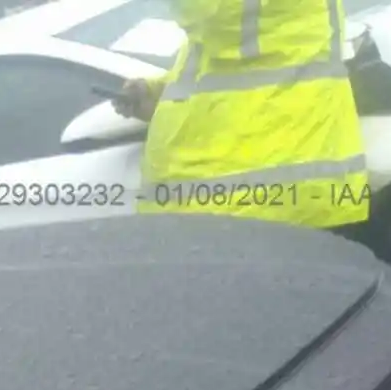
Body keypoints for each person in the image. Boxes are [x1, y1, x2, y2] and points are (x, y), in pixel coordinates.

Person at [114, 0, 369, 231]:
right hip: (231, 205)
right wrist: (157, 93)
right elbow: (226, 60)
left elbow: (214, 13)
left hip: (255, 205)